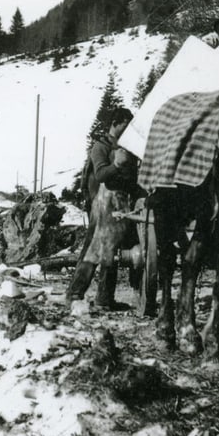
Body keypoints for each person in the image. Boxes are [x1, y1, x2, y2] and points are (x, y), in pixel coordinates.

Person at [66, 107, 143, 309]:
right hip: (105, 203)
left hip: (123, 202)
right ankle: (76, 293)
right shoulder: (101, 147)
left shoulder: (128, 147)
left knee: (113, 251)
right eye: (125, 126)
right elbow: (100, 175)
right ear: (116, 123)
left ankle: (104, 298)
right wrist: (116, 165)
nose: (127, 131)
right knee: (96, 249)